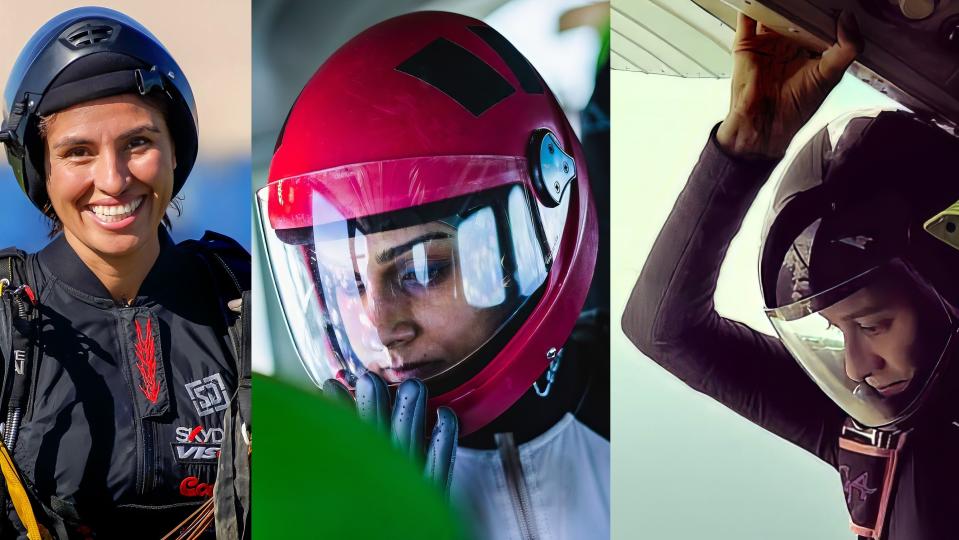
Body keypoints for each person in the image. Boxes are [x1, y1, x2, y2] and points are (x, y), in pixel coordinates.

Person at [258, 11, 609, 539]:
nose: (380, 327)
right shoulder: (310, 499)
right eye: (343, 284)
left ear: (523, 247)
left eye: (424, 269)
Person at [623, 11, 959, 540]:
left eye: (871, 325)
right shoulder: (869, 432)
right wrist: (743, 150)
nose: (855, 368)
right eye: (837, 330)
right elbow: (664, 330)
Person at [0, 8, 249, 538]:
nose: (112, 180)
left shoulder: (243, 303)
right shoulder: (5, 323)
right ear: (39, 169)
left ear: (175, 149)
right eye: (78, 152)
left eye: (137, 143)